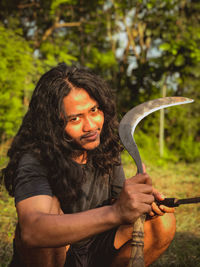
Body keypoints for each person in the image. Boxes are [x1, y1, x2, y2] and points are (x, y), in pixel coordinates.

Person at [1, 63, 176, 267]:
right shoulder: (35, 159)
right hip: (57, 254)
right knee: (50, 213)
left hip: (97, 247)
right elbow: (33, 230)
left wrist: (138, 201)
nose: (91, 126)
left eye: (94, 110)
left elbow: (116, 200)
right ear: (53, 124)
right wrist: (116, 212)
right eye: (75, 118)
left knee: (161, 222)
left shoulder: (103, 145)